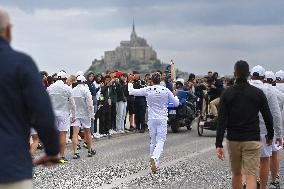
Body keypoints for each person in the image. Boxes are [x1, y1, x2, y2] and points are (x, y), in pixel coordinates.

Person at [0, 8, 59, 189]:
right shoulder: (21, 64)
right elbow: (42, 113)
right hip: (10, 166)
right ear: (8, 30)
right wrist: (52, 150)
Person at [216, 60, 274, 189]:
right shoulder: (257, 93)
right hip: (252, 138)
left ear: (234, 74)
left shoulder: (227, 93)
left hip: (234, 139)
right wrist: (270, 135)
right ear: (248, 74)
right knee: (251, 175)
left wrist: (218, 143)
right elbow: (268, 116)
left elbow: (222, 120)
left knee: (236, 174)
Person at [128, 72, 179, 174]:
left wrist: (130, 81)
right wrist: (175, 96)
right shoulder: (166, 90)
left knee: (153, 141)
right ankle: (155, 158)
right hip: (162, 118)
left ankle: (154, 162)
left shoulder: (148, 89)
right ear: (160, 80)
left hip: (151, 119)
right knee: (161, 140)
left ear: (151, 80)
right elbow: (176, 104)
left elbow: (131, 92)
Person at [249, 65, 282, 189]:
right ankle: (265, 185)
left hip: (245, 130)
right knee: (265, 160)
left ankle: (249, 184)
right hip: (264, 130)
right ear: (263, 77)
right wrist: (278, 133)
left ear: (251, 75)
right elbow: (276, 113)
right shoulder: (268, 90)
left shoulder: (244, 88)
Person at [47, 71, 76, 164]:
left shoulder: (49, 88)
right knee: (62, 135)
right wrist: (74, 115)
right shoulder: (67, 88)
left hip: (52, 113)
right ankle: (61, 156)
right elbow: (72, 103)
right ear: (64, 79)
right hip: (63, 114)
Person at [264, 71, 284, 188]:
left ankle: (258, 180)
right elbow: (278, 114)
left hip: (261, 127)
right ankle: (274, 179)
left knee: (260, 157)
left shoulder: (258, 91)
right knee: (274, 155)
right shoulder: (280, 94)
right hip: (275, 127)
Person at [71, 75, 96, 159]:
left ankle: (75, 152)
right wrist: (92, 115)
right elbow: (90, 104)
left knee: (75, 133)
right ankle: (90, 150)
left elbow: (70, 103)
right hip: (85, 114)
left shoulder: (73, 90)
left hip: (75, 113)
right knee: (87, 132)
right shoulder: (86, 90)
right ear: (84, 81)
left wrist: (72, 114)